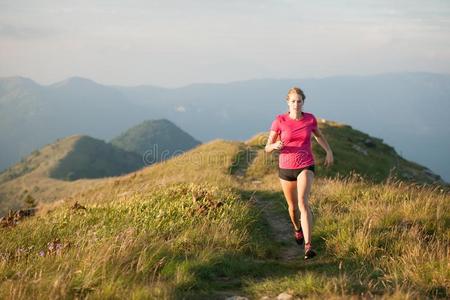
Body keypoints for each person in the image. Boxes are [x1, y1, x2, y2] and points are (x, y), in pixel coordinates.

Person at [265, 86, 334, 260]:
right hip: (286, 168)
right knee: (293, 208)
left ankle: (308, 246)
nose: (296, 104)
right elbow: (267, 147)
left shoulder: (310, 119)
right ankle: (297, 229)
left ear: (303, 102)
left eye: (299, 101)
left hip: (306, 165)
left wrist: (328, 151)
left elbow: (318, 136)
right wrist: (274, 146)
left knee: (303, 203)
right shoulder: (279, 121)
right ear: (288, 102)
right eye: (293, 101)